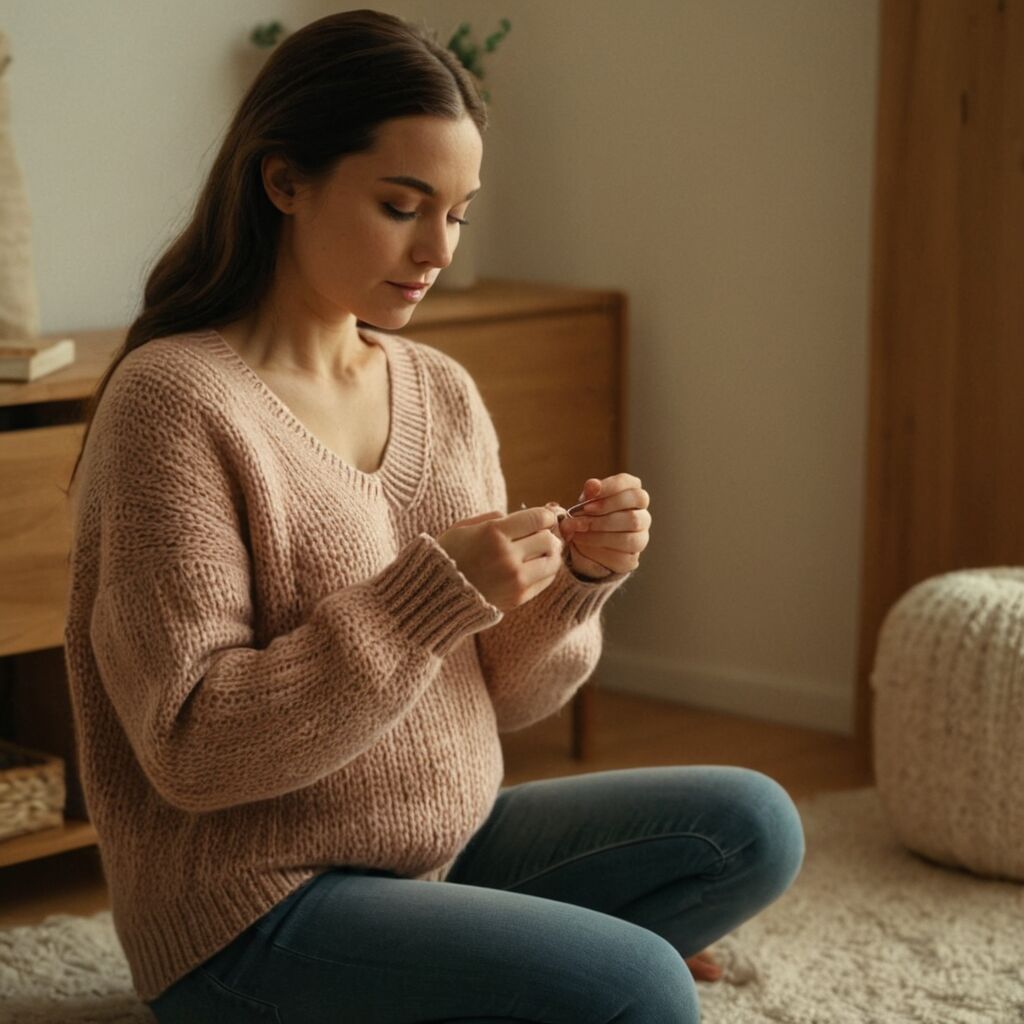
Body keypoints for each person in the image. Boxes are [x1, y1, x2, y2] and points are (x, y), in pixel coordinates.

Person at [62, 10, 804, 1022]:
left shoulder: (440, 389)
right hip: (251, 912)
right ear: (284, 181)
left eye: (456, 214)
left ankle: (495, 972)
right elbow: (193, 749)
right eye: (402, 205)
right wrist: (425, 599)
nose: (436, 249)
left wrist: (576, 584)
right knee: (641, 988)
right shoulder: (175, 401)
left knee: (752, 824)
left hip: (439, 851)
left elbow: (499, 694)